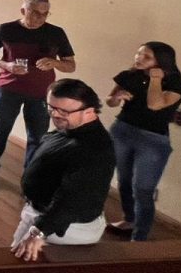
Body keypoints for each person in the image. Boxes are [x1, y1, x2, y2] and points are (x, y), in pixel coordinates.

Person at [0, 0, 76, 188]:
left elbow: (71, 66)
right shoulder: (6, 29)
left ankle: (30, 177)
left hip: (42, 93)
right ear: (23, 10)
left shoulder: (56, 33)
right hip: (8, 88)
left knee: (37, 137)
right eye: (35, 12)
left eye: (45, 13)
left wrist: (54, 62)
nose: (40, 17)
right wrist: (6, 65)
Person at [11, 79, 115, 261]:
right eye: (51, 108)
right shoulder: (72, 128)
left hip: (63, 227)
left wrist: (39, 232)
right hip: (43, 216)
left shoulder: (94, 150)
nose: (55, 115)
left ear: (89, 111)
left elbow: (73, 199)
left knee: (18, 268)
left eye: (64, 111)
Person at [106, 42, 181, 240]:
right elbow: (110, 101)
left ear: (162, 61)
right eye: (138, 53)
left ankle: (139, 237)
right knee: (124, 181)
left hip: (153, 140)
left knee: (143, 189)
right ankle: (129, 220)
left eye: (147, 56)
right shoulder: (128, 75)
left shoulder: (176, 84)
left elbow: (155, 104)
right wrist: (116, 98)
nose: (138, 58)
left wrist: (155, 79)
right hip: (122, 131)